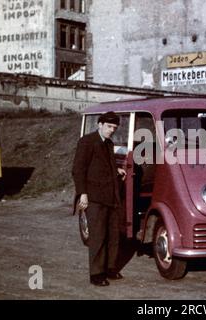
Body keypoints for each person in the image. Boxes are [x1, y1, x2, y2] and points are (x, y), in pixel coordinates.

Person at [72, 111, 126, 286]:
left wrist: (116, 170)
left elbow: (105, 164)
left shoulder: (108, 143)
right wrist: (83, 193)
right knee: (98, 236)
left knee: (112, 235)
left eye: (114, 128)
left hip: (110, 196)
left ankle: (110, 269)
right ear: (100, 124)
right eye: (109, 126)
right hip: (94, 197)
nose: (111, 130)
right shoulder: (87, 142)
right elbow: (78, 169)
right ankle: (96, 274)